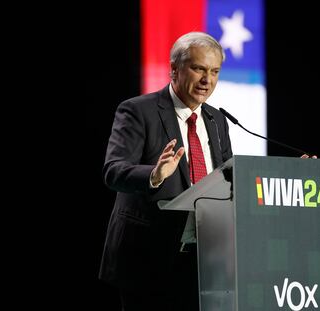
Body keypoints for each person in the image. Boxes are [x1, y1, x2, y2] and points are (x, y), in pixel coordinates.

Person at [98, 31, 233, 311]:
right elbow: (113, 171)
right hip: (148, 259)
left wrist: (286, 171)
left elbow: (228, 177)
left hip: (204, 260)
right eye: (198, 69)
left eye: (214, 71)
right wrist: (154, 175)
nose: (207, 80)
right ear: (174, 69)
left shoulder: (217, 119)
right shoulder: (138, 110)